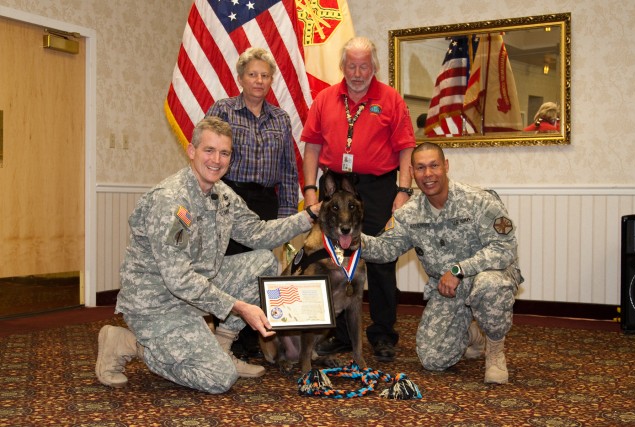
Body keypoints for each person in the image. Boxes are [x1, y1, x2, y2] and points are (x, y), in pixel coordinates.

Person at [95, 117, 320, 394]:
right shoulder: (173, 201)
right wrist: (239, 306)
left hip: (195, 289)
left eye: (224, 153)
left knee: (264, 261)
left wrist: (309, 215)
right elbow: (178, 280)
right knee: (218, 378)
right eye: (209, 151)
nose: (217, 160)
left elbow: (259, 234)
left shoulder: (222, 195)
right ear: (192, 151)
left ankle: (221, 348)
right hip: (156, 304)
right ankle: (130, 343)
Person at [360, 142, 524, 384]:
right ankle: (473, 335)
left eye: (434, 166)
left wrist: (459, 269)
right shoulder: (409, 213)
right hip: (448, 291)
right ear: (412, 173)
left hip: (487, 276)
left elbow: (503, 249)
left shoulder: (479, 201)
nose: (428, 174)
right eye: (421, 168)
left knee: (490, 284)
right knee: (433, 360)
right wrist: (351, 239)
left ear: (446, 166)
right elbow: (384, 249)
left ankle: (495, 350)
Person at [301, 36, 416, 362]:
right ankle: (339, 335)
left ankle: (382, 335)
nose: (357, 72)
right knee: (331, 261)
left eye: (363, 65)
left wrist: (403, 191)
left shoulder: (391, 99)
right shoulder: (325, 98)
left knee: (379, 260)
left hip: (379, 187)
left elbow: (406, 146)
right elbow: (311, 146)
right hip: (336, 187)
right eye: (351, 65)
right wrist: (310, 190)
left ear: (374, 66)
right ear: (342, 66)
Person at [205, 47, 299, 359]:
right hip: (229, 197)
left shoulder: (281, 119)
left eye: (264, 75)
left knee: (260, 269)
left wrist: (286, 218)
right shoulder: (224, 111)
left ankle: (250, 337)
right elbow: (210, 156)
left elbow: (288, 170)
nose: (258, 80)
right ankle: (228, 338)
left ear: (272, 80)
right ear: (241, 78)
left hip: (265, 202)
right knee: (229, 269)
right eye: (252, 74)